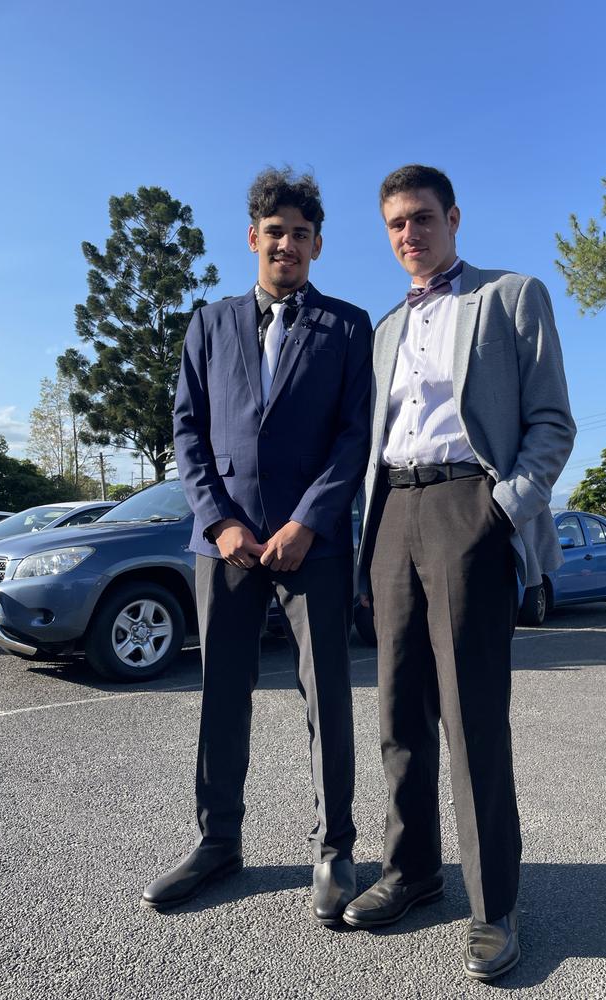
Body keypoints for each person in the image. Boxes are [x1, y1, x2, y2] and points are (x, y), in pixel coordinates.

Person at [343, 165, 575, 980]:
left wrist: (502, 509)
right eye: (396, 225)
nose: (410, 235)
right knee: (399, 712)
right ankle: (412, 871)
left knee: (472, 718)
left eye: (422, 219)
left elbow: (552, 419)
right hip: (393, 516)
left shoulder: (511, 297)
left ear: (453, 218)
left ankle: (493, 904)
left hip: (468, 506)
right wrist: (366, 540)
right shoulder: (383, 330)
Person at [141, 168, 372, 925]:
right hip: (227, 545)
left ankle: (335, 847)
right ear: (253, 238)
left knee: (327, 697)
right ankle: (217, 842)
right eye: (275, 232)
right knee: (220, 696)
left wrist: (308, 520)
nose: (288, 244)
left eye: (302, 234)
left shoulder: (347, 325)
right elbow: (187, 432)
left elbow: (352, 437)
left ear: (317, 244)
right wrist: (219, 521)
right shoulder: (209, 324)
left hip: (315, 545)